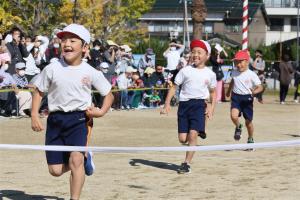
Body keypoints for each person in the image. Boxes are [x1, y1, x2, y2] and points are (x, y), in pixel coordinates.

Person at [31, 24, 114, 200]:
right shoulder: (52, 68)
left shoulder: (90, 71)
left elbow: (109, 95)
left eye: (72, 40)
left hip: (79, 120)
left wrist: (100, 112)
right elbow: (38, 91)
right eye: (63, 40)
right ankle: (86, 158)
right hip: (55, 120)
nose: (67, 44)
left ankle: (74, 197)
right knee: (55, 170)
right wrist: (34, 115)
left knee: (75, 160)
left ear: (84, 47)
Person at [160, 39, 217, 174]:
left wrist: (211, 108)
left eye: (199, 52)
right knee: (182, 139)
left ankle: (186, 163)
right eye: (193, 52)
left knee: (192, 135)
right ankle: (198, 130)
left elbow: (213, 93)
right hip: (184, 106)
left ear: (207, 56)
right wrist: (167, 104)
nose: (196, 55)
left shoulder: (210, 74)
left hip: (199, 105)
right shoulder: (185, 71)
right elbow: (174, 87)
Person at [226, 50, 263, 146]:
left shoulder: (252, 74)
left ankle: (250, 138)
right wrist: (228, 91)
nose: (238, 64)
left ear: (247, 62)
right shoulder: (234, 72)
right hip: (236, 97)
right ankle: (238, 126)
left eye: (240, 61)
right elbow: (233, 81)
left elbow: (260, 87)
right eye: (236, 62)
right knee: (233, 116)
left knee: (248, 122)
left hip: (247, 99)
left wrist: (254, 92)